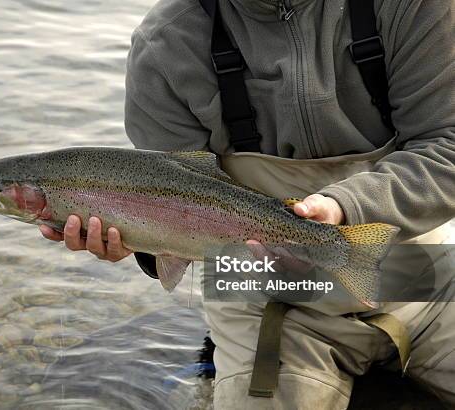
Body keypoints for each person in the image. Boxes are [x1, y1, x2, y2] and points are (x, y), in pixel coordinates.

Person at [40, 0, 455, 408]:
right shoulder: (165, 44)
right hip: (266, 301)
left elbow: (449, 148)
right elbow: (162, 196)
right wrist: (134, 241)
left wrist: (344, 207)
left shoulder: (413, 6)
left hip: (425, 281)